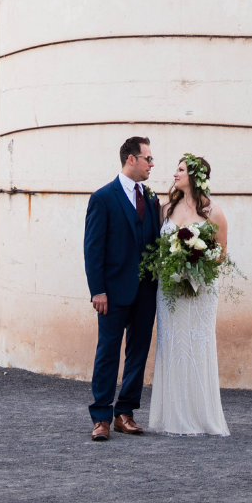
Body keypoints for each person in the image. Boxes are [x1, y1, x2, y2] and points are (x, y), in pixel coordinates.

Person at [146, 153, 230, 437]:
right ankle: (174, 416)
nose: (174, 174)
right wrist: (174, 266)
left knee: (198, 345)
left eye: (180, 170)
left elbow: (221, 255)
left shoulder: (213, 212)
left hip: (201, 291)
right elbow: (159, 248)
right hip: (170, 290)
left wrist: (195, 265)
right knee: (172, 345)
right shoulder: (166, 209)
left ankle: (201, 415)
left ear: (194, 176)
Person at [83, 135, 160, 441]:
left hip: (145, 292)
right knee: (107, 353)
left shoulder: (152, 199)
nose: (152, 164)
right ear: (132, 159)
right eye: (148, 159)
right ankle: (100, 417)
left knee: (138, 352)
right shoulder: (103, 197)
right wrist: (97, 290)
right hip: (112, 293)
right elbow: (93, 248)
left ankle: (124, 413)